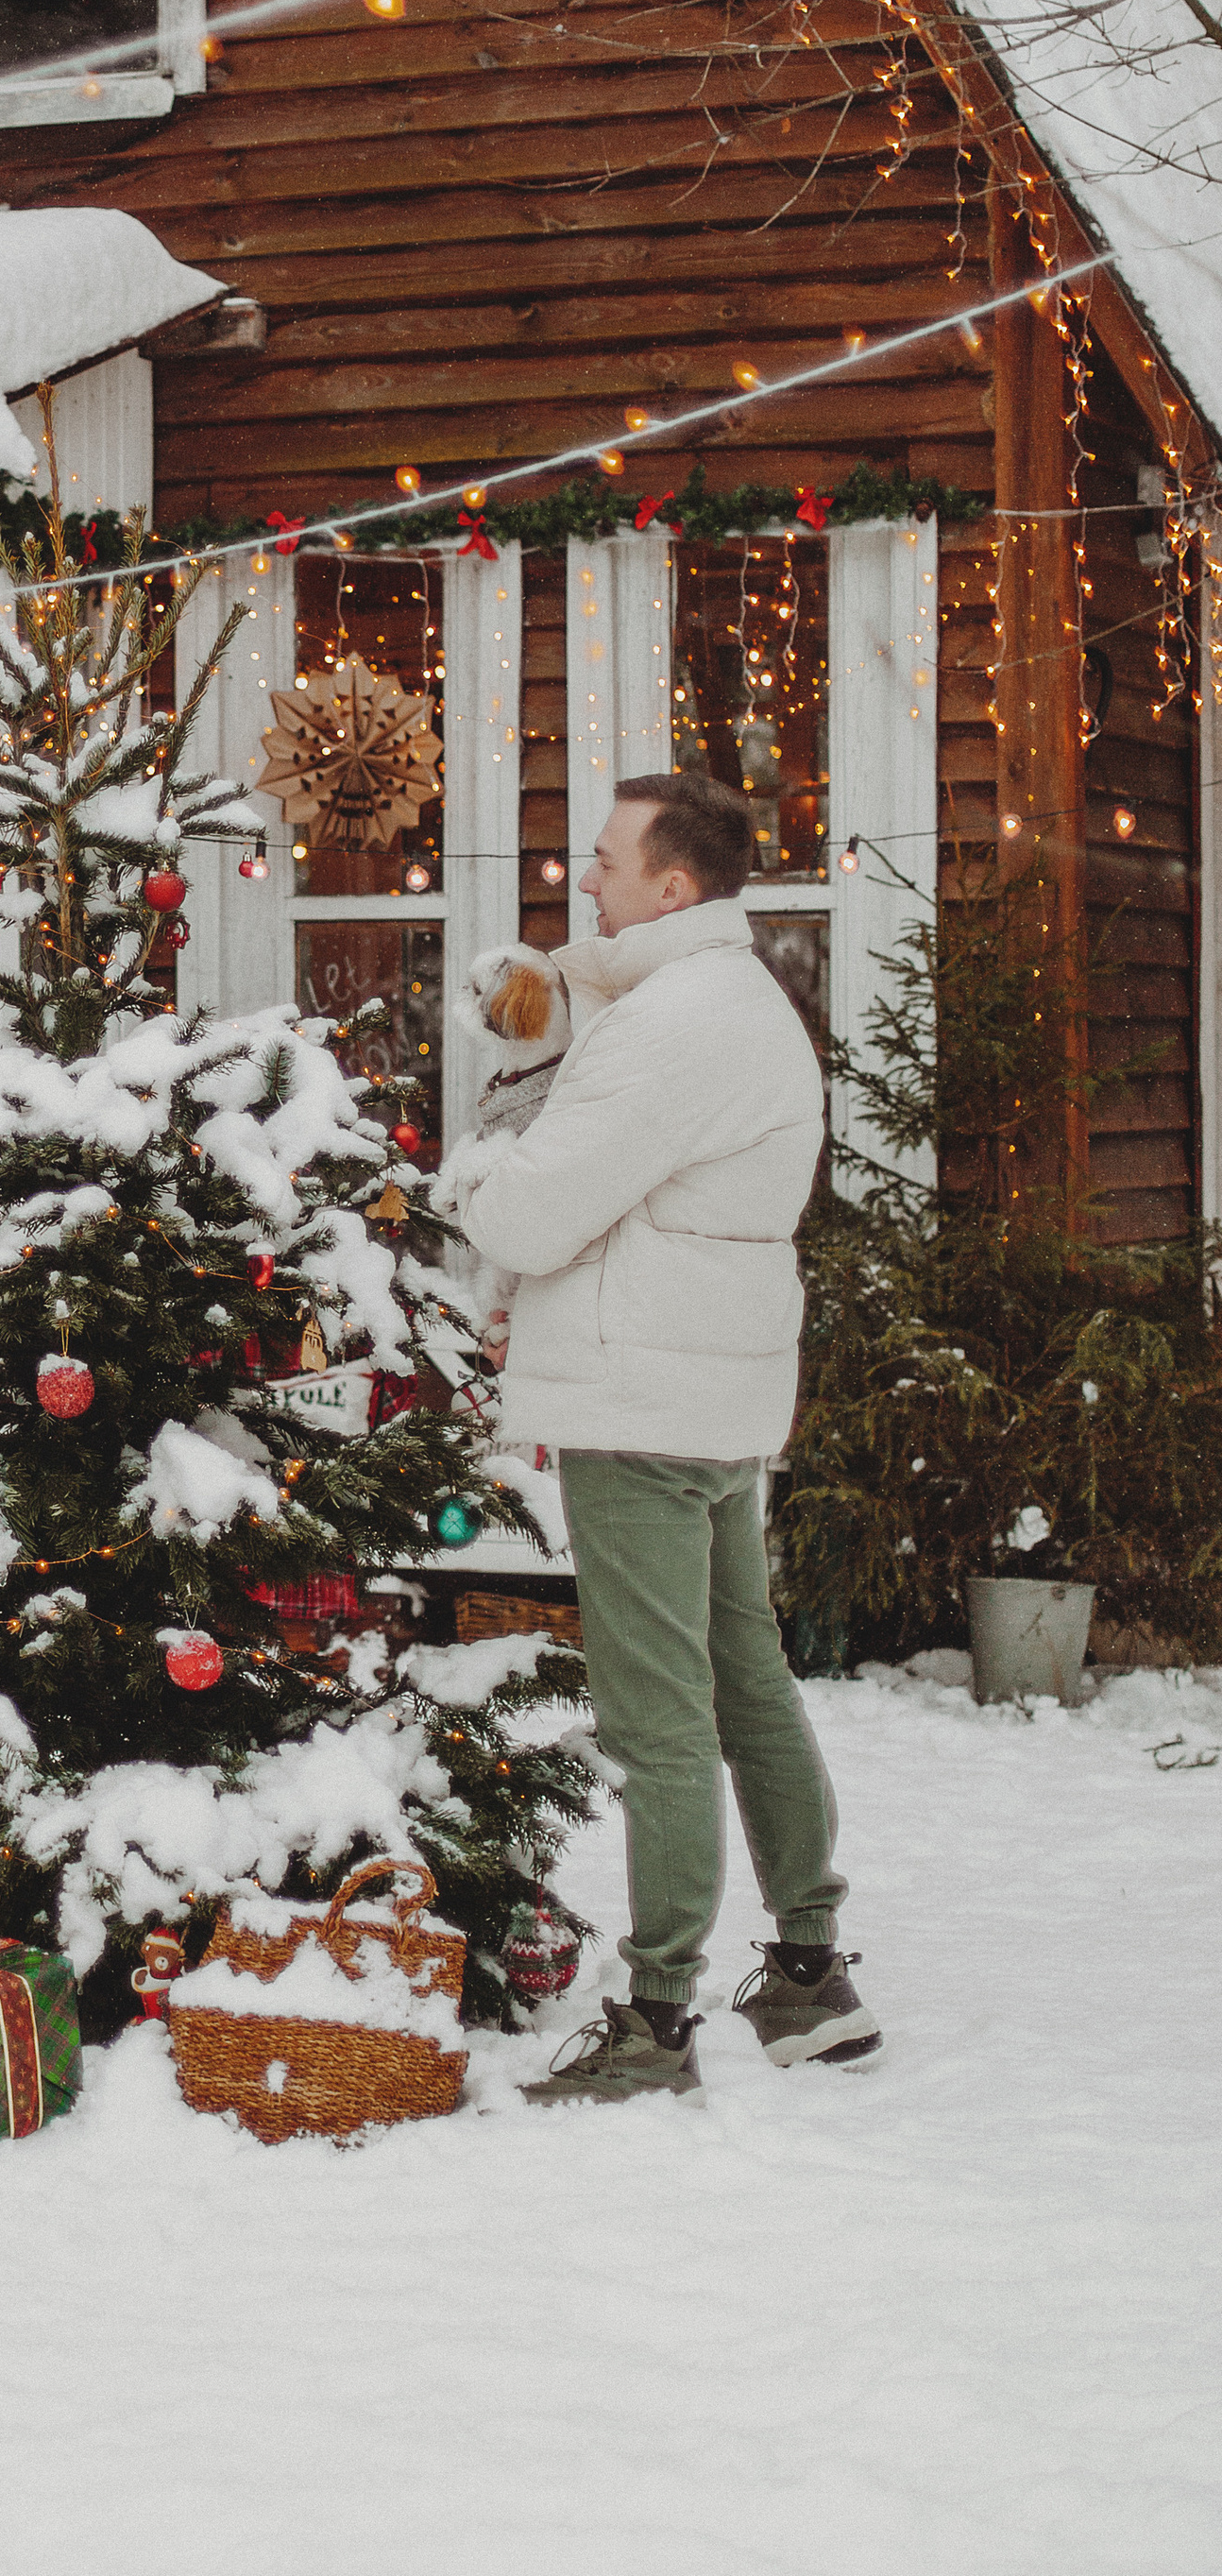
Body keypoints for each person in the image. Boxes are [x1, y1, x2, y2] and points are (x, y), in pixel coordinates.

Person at [447, 769, 879, 2101]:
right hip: (711, 1391)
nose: (584, 876)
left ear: (674, 887)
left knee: (658, 1715)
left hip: (637, 1396)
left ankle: (655, 2020)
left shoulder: (667, 1026)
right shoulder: (731, 996)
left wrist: (468, 1176)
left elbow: (527, 1213)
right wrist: (569, 973)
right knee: (744, 1675)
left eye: (606, 860)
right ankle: (808, 1973)